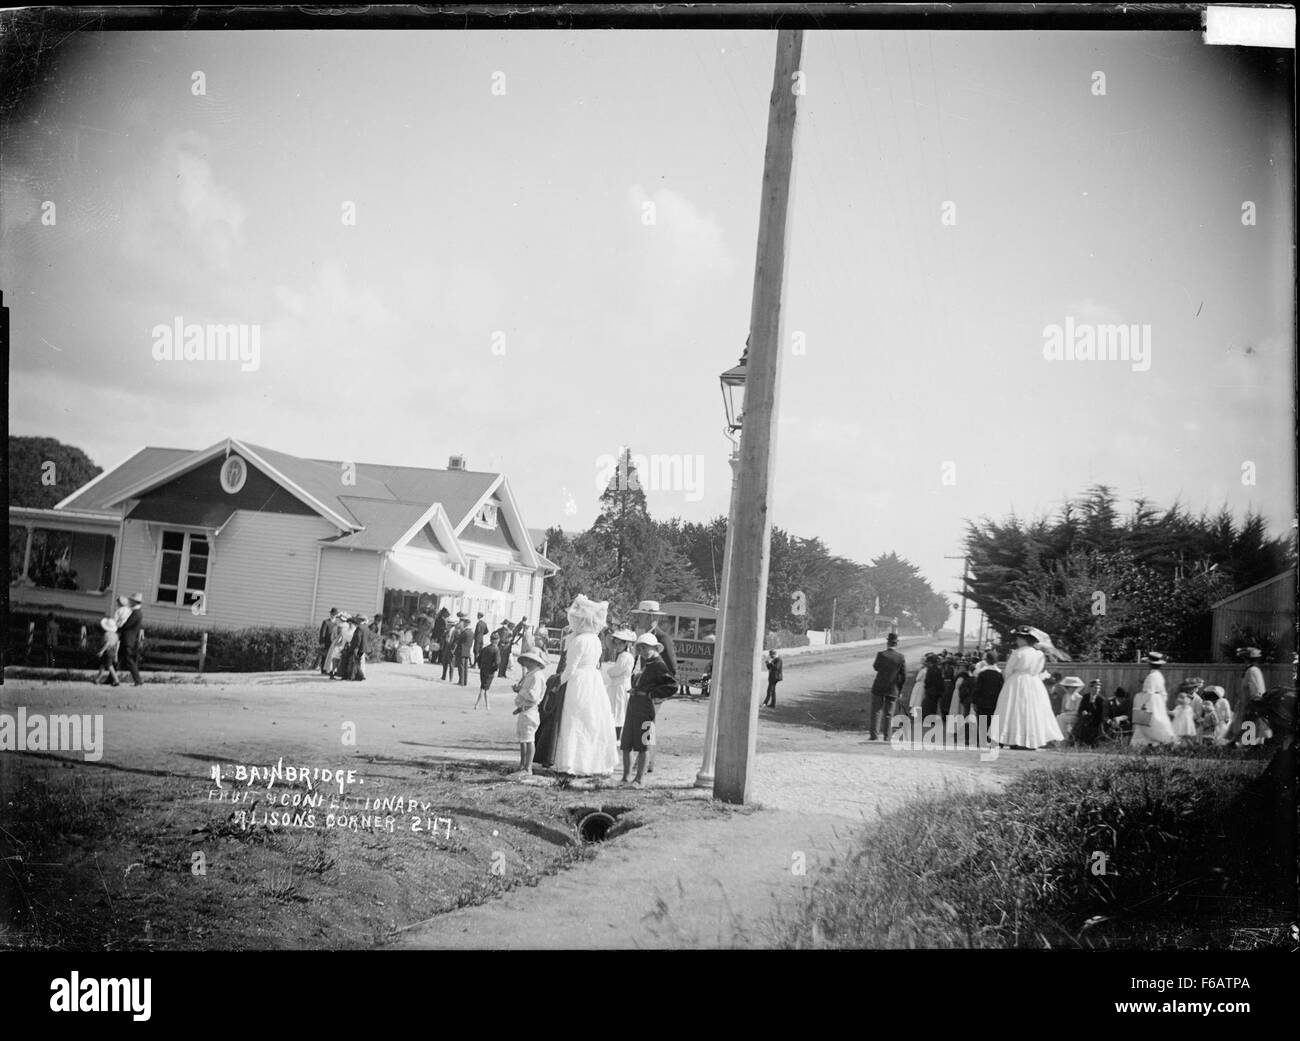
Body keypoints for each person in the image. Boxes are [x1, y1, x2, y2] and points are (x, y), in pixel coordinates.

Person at [551, 596, 619, 778]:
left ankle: (572, 762)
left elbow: (571, 667)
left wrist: (558, 683)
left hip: (579, 680)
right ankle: (593, 761)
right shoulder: (595, 639)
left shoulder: (578, 640)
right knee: (593, 719)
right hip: (593, 679)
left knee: (574, 718)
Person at [989, 627, 1063, 749]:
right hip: (1033, 682)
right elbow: (1038, 670)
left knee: (1013, 709)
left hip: (1017, 680)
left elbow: (1008, 670)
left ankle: (1015, 739)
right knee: (1032, 710)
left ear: (1025, 640)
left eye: (1020, 638)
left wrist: (1008, 681)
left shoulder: (1018, 653)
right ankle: (1031, 740)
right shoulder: (1039, 654)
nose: (1017, 640)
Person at [621, 633, 677, 787]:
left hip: (646, 706)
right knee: (627, 742)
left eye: (646, 647)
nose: (643, 650)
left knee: (644, 743)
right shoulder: (645, 663)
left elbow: (672, 685)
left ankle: (639, 779)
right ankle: (626, 777)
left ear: (654, 647)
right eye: (640, 647)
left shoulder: (659, 665)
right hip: (634, 703)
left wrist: (653, 694)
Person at [511, 649, 548, 776]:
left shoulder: (537, 676)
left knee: (528, 738)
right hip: (524, 710)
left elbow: (533, 696)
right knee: (523, 739)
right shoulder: (530, 674)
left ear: (533, 661)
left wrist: (520, 690)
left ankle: (528, 767)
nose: (525, 663)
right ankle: (523, 765)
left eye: (527, 660)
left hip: (530, 711)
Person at [1131, 652, 1176, 748]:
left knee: (1148, 723)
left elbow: (1149, 692)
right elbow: (1163, 694)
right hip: (1157, 702)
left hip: (1150, 702)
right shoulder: (1159, 676)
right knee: (1155, 722)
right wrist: (1162, 704)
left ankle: (1150, 744)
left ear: (1149, 664)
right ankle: (1153, 744)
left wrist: (1144, 705)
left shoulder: (1151, 677)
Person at [867, 633, 907, 741]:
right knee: (889, 713)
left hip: (879, 686)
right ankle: (887, 736)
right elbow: (903, 676)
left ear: (887, 642)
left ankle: (874, 736)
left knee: (876, 711)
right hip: (892, 688)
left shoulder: (881, 654)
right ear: (896, 643)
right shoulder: (900, 657)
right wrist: (900, 689)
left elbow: (876, 667)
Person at [1226, 647, 1268, 744]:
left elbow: (1256, 688)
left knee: (1251, 723)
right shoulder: (1250, 670)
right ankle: (1240, 742)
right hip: (1245, 703)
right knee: (1243, 723)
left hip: (1251, 703)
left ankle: (1250, 742)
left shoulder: (1252, 671)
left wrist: (1254, 702)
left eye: (1244, 659)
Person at [602, 628, 637, 739]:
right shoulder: (622, 656)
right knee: (615, 710)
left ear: (625, 643)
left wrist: (609, 670)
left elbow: (615, 671)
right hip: (617, 686)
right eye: (615, 643)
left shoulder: (626, 656)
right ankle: (614, 735)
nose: (617, 646)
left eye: (619, 643)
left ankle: (617, 736)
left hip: (620, 686)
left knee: (618, 711)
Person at [972, 653, 1004, 746]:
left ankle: (981, 741)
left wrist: (974, 701)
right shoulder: (999, 673)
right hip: (995, 701)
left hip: (982, 701)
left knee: (982, 721)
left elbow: (977, 688)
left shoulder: (982, 673)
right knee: (994, 722)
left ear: (986, 660)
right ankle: (994, 741)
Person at [117, 593, 145, 687]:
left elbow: (127, 625)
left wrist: (117, 629)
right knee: (118, 658)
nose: (130, 602)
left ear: (135, 602)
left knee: (128, 660)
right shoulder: (137, 612)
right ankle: (111, 678)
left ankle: (138, 680)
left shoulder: (136, 613)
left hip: (128, 639)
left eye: (131, 601)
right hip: (128, 639)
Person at [1074, 679, 1108, 747]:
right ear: (1091, 688)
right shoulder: (1086, 697)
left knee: (1091, 727)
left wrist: (1092, 702)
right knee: (1080, 724)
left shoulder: (1101, 699)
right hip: (1085, 718)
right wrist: (1083, 711)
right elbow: (1081, 707)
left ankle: (1089, 744)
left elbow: (1099, 713)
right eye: (1095, 688)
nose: (1097, 690)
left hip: (1095, 720)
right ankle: (1078, 742)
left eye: (1098, 688)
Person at [475, 632, 500, 710]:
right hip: (490, 671)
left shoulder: (485, 648)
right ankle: (477, 704)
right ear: (496, 640)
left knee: (485, 688)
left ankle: (487, 705)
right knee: (484, 688)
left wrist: (481, 666)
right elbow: (497, 662)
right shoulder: (496, 650)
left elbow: (478, 659)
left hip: (483, 669)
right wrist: (494, 669)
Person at [93, 617, 121, 687]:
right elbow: (118, 643)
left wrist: (102, 651)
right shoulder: (116, 635)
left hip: (107, 652)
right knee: (102, 665)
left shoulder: (106, 634)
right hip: (113, 651)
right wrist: (116, 654)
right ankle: (97, 679)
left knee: (109, 666)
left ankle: (116, 680)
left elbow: (107, 643)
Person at [1056, 676, 1085, 740]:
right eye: (1070, 687)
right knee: (1058, 717)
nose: (1072, 689)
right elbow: (1062, 708)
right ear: (1067, 688)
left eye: (1074, 687)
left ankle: (1065, 739)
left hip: (1074, 716)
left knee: (1061, 718)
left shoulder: (1079, 697)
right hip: (1065, 715)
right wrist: (1063, 713)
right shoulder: (1065, 696)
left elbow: (1077, 711)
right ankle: (1061, 738)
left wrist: (1066, 714)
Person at [317, 607, 340, 673]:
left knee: (332, 656)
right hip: (327, 642)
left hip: (334, 642)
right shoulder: (326, 622)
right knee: (325, 656)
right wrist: (322, 642)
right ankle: (323, 670)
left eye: (334, 614)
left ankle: (330, 670)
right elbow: (322, 633)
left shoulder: (337, 623)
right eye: (332, 614)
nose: (333, 615)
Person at [454, 614, 474, 686]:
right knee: (465, 668)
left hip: (461, 651)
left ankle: (461, 681)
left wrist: (457, 634)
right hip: (467, 651)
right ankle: (465, 681)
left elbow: (459, 640)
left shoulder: (464, 632)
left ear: (466, 623)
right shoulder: (471, 632)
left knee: (461, 667)